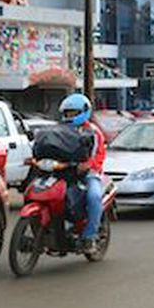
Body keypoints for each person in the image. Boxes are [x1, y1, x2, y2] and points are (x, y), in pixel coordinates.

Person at [59, 93, 106, 256]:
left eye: (73, 113)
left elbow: (99, 155)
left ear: (84, 112)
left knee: (93, 197)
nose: (69, 117)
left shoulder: (94, 132)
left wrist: (87, 165)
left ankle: (89, 237)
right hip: (64, 171)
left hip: (89, 174)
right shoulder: (59, 130)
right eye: (67, 113)